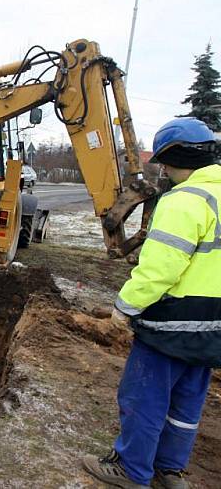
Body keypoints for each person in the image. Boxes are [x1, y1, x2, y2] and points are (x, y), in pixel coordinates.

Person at [83, 118, 221, 489]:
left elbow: (161, 268)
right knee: (188, 403)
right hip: (213, 329)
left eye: (163, 161)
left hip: (171, 321)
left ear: (173, 156)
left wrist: (125, 305)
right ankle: (169, 469)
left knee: (144, 395)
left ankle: (131, 469)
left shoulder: (185, 201)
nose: (162, 169)